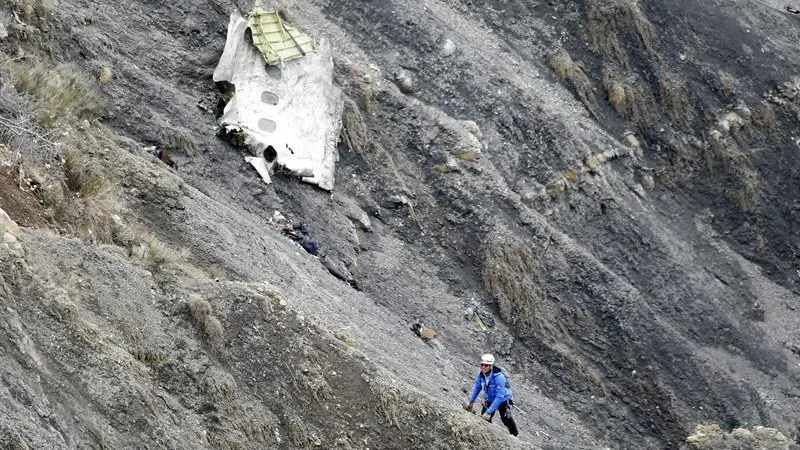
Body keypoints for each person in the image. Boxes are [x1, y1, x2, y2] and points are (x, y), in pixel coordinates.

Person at [464, 353, 519, 436]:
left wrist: (489, 412)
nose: (483, 367)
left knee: (505, 419)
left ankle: (514, 435)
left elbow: (499, 396)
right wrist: (471, 401)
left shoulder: (499, 377)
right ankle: (488, 435)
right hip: (490, 398)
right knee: (483, 418)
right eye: (482, 365)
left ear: (491, 366)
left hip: (503, 400)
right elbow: (477, 388)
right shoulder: (481, 375)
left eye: (486, 365)